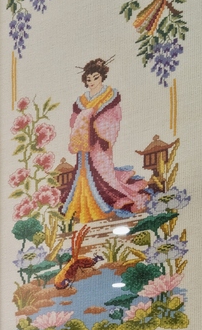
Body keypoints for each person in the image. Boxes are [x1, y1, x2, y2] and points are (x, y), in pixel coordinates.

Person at [60, 59, 150, 225]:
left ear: (102, 76)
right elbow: (74, 120)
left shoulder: (109, 95)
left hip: (100, 141)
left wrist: (97, 129)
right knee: (83, 172)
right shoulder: (82, 100)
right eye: (89, 79)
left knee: (102, 172)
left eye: (95, 77)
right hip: (83, 142)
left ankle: (104, 205)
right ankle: (84, 207)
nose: (92, 82)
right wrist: (82, 125)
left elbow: (113, 117)